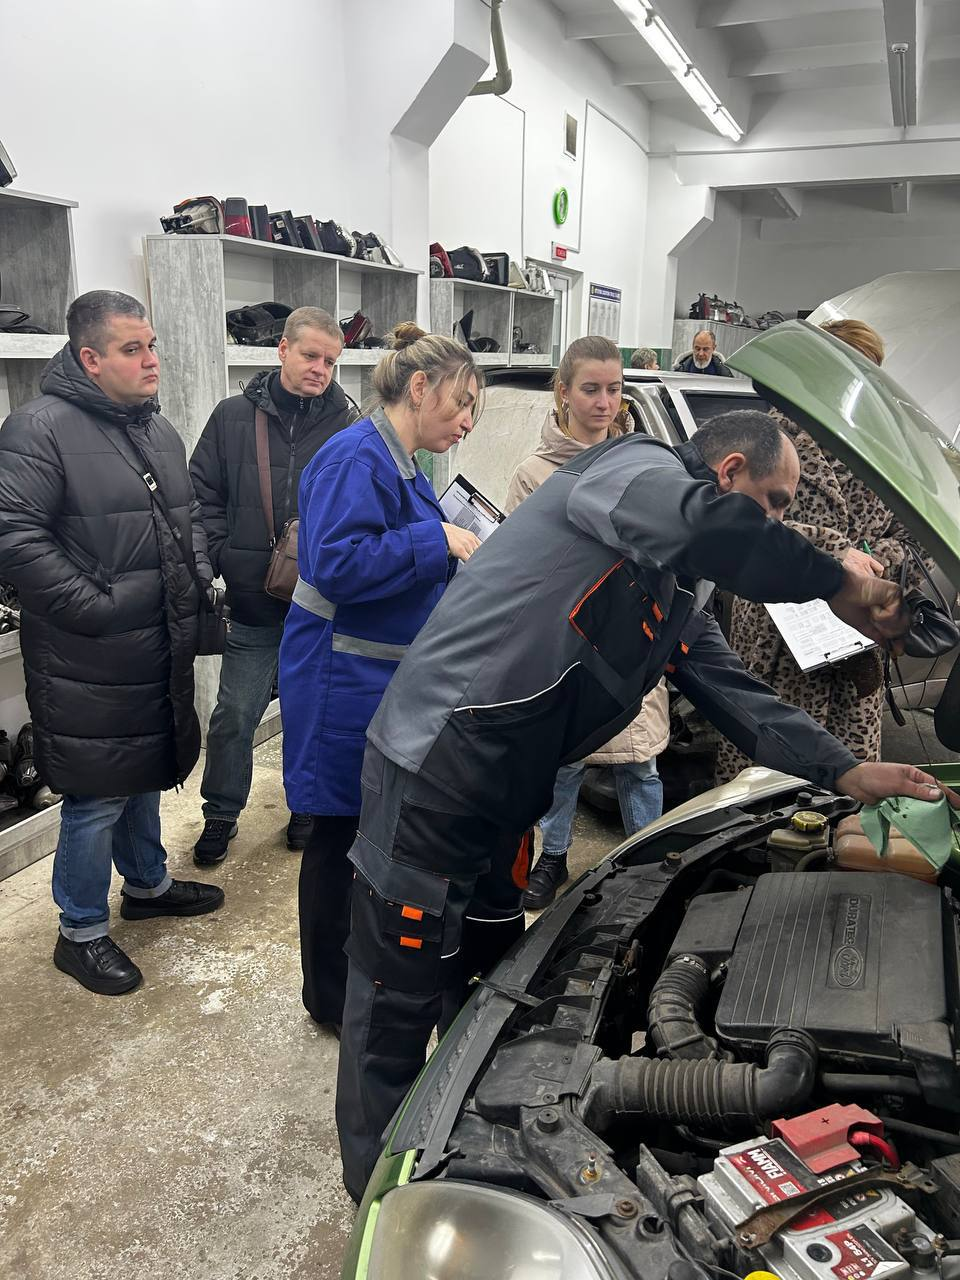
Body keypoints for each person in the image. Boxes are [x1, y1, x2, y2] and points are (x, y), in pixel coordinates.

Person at [335, 407, 940, 1201]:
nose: (779, 524)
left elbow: (737, 696)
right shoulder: (633, 472)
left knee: (486, 982)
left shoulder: (676, 585)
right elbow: (715, 529)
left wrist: (848, 772)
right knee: (396, 999)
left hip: (502, 790)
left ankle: (459, 1155)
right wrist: (842, 583)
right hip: (433, 772)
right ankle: (379, 1201)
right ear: (727, 473)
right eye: (774, 503)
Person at [0, 290, 224, 996]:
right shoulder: (38, 428)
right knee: (97, 795)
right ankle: (81, 930)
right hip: (86, 655)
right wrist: (95, 607)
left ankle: (147, 885)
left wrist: (197, 580)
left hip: (155, 642)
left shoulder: (156, 428)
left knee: (145, 772)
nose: (152, 360)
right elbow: (15, 539)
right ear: (90, 358)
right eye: (133, 349)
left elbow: (186, 517)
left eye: (152, 345)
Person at [279, 324, 483, 1034]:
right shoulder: (355, 458)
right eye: (461, 403)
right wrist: (437, 538)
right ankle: (328, 999)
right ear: (419, 388)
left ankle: (354, 981)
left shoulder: (402, 463)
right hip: (339, 677)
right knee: (336, 838)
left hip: (369, 676)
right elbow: (337, 564)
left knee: (362, 836)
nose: (466, 422)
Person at [717, 319, 918, 782]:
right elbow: (733, 518)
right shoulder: (768, 437)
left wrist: (873, 560)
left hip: (855, 642)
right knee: (768, 774)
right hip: (779, 636)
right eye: (848, 371)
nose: (857, 385)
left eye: (868, 373)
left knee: (851, 780)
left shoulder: (886, 452)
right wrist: (833, 550)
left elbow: (912, 540)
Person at [505, 336, 668, 910]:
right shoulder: (535, 473)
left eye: (614, 390)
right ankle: (553, 855)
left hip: (631, 631)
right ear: (564, 392)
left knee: (639, 762)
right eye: (591, 389)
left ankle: (651, 860)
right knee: (565, 760)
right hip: (567, 636)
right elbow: (523, 564)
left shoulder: (645, 462)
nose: (604, 402)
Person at [189, 306, 356, 864]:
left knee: (312, 713)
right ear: (282, 349)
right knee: (235, 714)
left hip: (320, 601)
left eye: (330, 361)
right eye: (311, 355)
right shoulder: (232, 417)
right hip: (252, 600)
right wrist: (223, 556)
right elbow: (201, 494)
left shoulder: (347, 424)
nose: (320, 369)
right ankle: (220, 812)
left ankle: (306, 803)